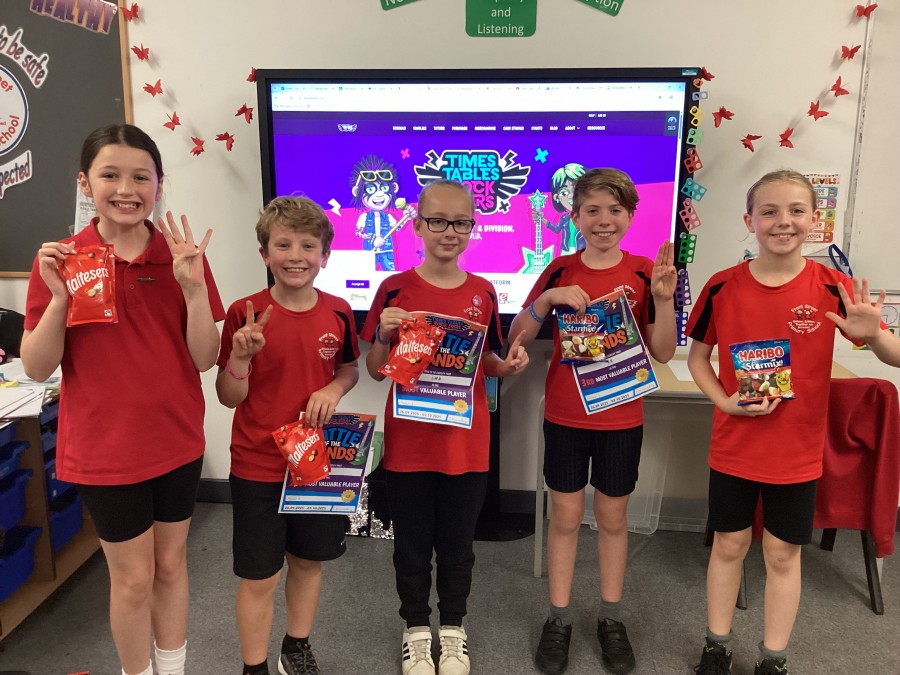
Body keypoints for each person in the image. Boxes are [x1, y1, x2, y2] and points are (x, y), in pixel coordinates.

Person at [21, 124, 224, 675]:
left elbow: (205, 357)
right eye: (110, 175)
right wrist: (60, 299)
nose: (126, 189)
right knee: (133, 579)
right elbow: (37, 367)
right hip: (105, 449)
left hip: (176, 439)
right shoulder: (64, 261)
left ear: (159, 184)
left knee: (171, 566)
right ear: (85, 183)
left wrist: (193, 288)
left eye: (141, 177)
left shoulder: (179, 257)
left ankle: (173, 669)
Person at [686, 169, 900, 675]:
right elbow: (698, 358)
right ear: (750, 221)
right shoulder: (722, 285)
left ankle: (773, 659)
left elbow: (894, 356)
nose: (783, 221)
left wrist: (874, 335)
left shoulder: (833, 286)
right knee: (730, 544)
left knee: (782, 554)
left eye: (796, 210)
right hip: (735, 445)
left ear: (815, 220)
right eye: (769, 211)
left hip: (797, 452)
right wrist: (724, 403)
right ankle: (716, 646)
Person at [509, 167, 677, 675]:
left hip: (621, 418)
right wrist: (546, 301)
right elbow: (516, 337)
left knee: (612, 519)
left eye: (615, 210)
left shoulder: (646, 272)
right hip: (565, 415)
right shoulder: (559, 269)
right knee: (563, 518)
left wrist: (663, 300)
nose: (604, 220)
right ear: (575, 215)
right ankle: (559, 617)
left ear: (630, 215)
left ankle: (610, 616)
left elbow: (664, 351)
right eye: (592, 210)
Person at [361, 180, 529, 675]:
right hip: (410, 446)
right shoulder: (394, 288)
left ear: (472, 228)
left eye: (461, 222)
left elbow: (486, 361)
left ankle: (453, 630)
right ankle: (416, 630)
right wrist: (383, 335)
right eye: (438, 221)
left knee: (458, 549)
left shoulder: (482, 290)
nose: (449, 231)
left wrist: (507, 366)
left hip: (466, 447)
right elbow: (376, 369)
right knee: (412, 547)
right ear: (417, 225)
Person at [216, 196, 360, 675]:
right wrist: (241, 359)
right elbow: (228, 397)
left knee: (308, 562)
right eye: (283, 245)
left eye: (307, 245)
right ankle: (253, 667)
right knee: (260, 576)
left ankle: (295, 647)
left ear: (325, 256)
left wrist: (333, 388)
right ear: (264, 254)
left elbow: (349, 368)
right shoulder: (245, 314)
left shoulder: (339, 311)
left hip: (315, 465)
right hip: (257, 465)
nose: (295, 255)